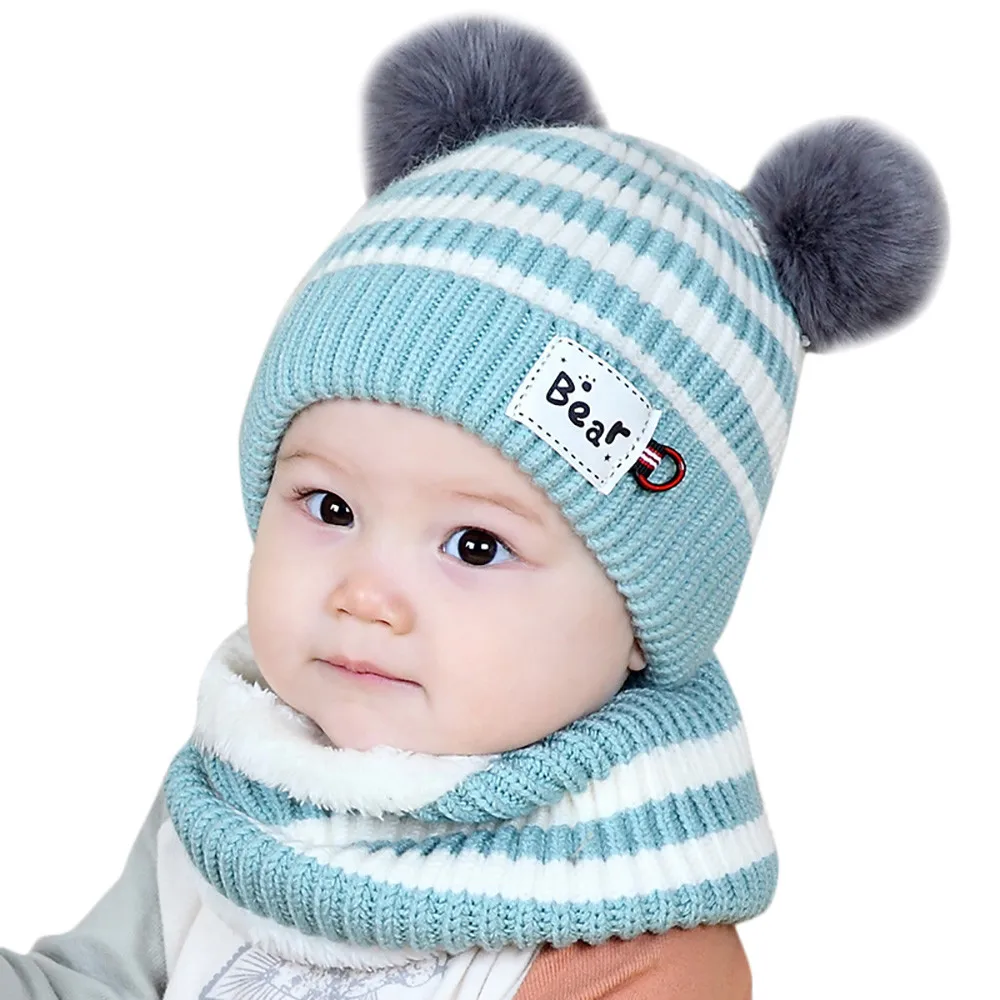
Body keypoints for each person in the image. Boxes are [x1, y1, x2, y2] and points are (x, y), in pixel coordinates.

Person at [0, 14, 948, 1000]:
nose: (365, 595)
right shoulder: (239, 791)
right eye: (329, 506)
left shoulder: (638, 953)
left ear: (643, 620)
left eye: (476, 544)